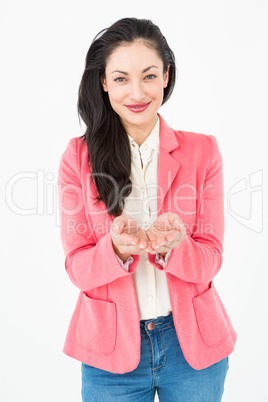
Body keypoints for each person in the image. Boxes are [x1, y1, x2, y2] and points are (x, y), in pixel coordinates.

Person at [57, 17, 237, 401]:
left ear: (166, 77)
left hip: (193, 349)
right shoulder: (78, 157)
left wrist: (175, 245)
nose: (136, 92)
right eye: (121, 78)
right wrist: (117, 249)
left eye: (149, 76)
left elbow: (211, 258)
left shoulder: (202, 151)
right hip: (111, 353)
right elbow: (76, 266)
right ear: (103, 82)